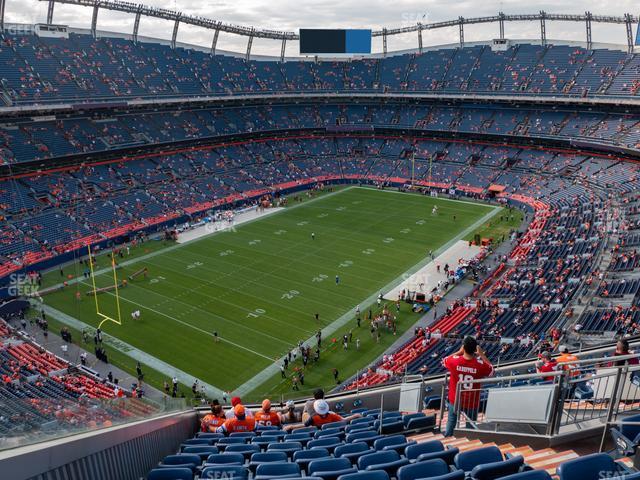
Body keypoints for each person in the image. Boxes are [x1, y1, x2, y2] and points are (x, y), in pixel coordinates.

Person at [442, 336, 493, 437]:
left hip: (455, 399)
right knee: (471, 424)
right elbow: (492, 370)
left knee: (451, 421)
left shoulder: (454, 361)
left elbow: (444, 360)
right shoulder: (480, 365)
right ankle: (470, 440)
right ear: (475, 349)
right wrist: (482, 355)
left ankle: (447, 439)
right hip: (472, 400)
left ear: (464, 348)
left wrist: (459, 352)